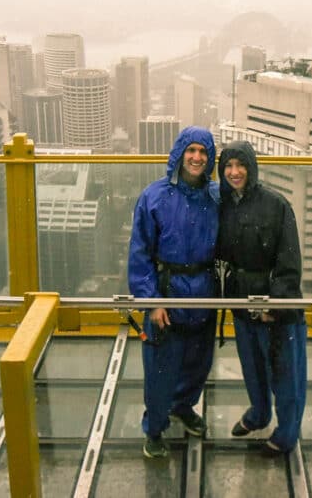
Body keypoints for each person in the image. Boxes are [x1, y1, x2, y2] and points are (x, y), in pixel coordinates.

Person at [128, 125, 219, 459]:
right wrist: (151, 302)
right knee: (160, 369)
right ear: (179, 153)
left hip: (204, 293)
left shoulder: (215, 198)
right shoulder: (154, 197)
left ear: (210, 159)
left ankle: (183, 407)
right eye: (191, 150)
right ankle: (154, 428)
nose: (196, 158)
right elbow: (140, 253)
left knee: (197, 363)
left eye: (203, 152)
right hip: (166, 293)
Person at [217, 140, 307, 456]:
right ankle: (259, 415)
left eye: (241, 165)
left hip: (275, 307)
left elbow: (290, 260)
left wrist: (276, 305)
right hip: (242, 303)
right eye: (228, 165)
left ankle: (286, 436)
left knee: (285, 376)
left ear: (252, 168)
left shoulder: (276, 205)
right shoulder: (224, 204)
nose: (234, 172)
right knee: (252, 368)